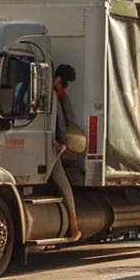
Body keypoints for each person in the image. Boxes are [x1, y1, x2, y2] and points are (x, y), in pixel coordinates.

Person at [51, 64, 82, 241]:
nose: (66, 87)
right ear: (57, 80)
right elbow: (62, 122)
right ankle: (73, 225)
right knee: (64, 186)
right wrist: (62, 142)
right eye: (65, 83)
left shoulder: (54, 94)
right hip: (51, 148)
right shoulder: (53, 96)